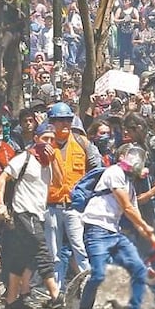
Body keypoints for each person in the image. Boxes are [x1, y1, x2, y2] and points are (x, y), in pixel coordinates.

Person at [78, 144, 155, 309]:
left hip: (114, 232)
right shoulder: (114, 172)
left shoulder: (130, 185)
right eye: (132, 155)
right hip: (96, 229)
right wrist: (146, 227)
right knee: (98, 274)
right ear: (123, 156)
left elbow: (135, 215)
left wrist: (153, 239)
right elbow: (127, 207)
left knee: (139, 270)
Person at [0, 123, 64, 309]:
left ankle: (11, 299)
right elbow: (2, 178)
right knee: (42, 248)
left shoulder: (47, 162)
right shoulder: (24, 158)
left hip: (38, 213)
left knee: (23, 257)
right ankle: (55, 293)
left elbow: (59, 181)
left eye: (52, 139)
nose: (48, 143)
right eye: (44, 139)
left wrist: (54, 156)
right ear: (36, 139)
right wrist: (0, 203)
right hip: (23, 212)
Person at [44, 102, 103, 294]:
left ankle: (91, 289)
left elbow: (97, 170)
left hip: (75, 207)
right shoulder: (43, 144)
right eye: (59, 121)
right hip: (50, 205)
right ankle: (57, 292)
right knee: (54, 253)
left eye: (67, 120)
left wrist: (86, 194)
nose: (64, 124)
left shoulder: (82, 143)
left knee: (81, 249)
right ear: (51, 122)